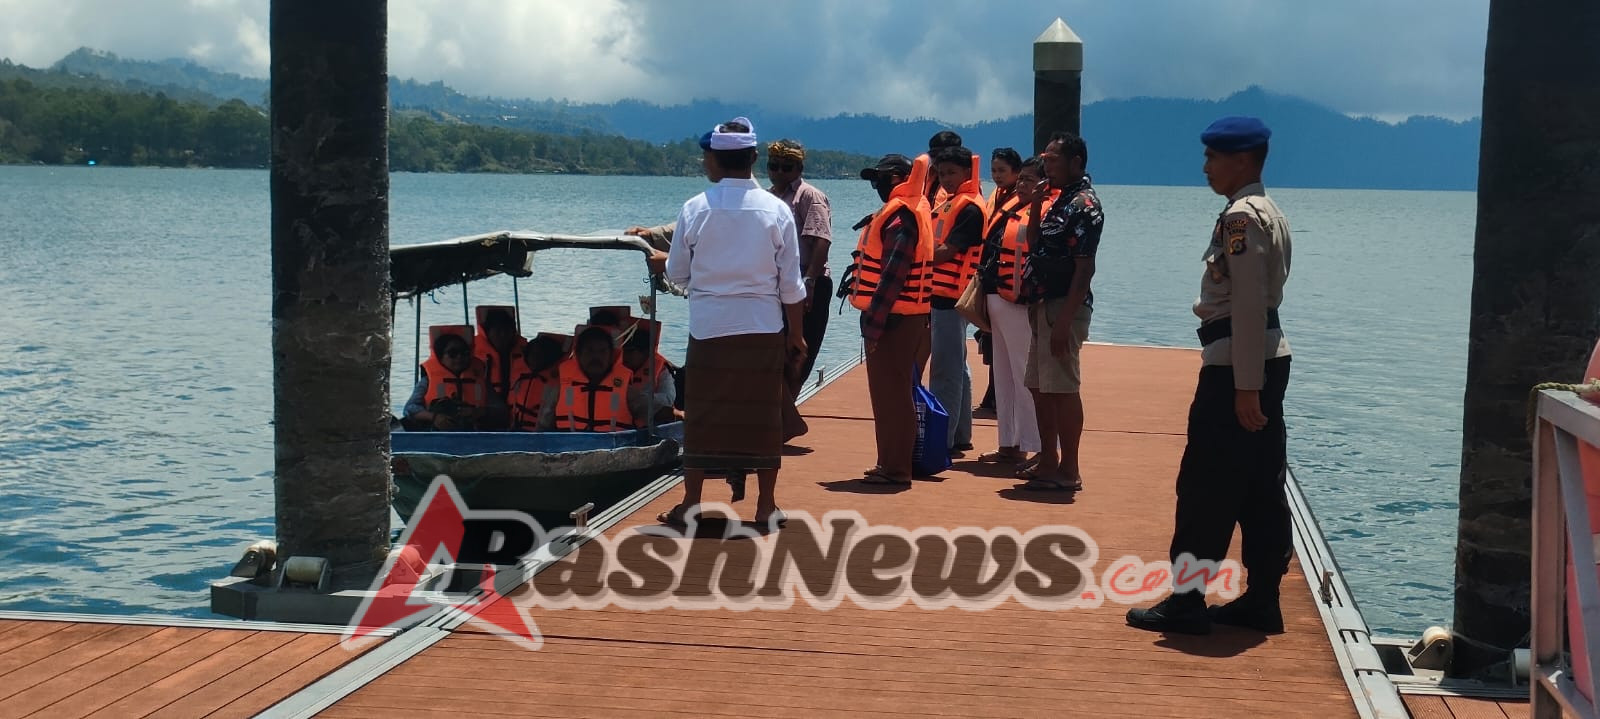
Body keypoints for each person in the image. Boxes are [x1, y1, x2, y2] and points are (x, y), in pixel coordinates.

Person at [1127, 116, 1293, 636]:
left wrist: (1246, 385)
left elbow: (1246, 303)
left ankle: (1187, 600)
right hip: (1266, 357)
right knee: (1261, 485)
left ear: (1241, 160)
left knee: (1206, 484)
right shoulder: (1269, 211)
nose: (1205, 166)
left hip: (1236, 365)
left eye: (1212, 157)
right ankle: (1262, 599)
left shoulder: (1240, 218)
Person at [660, 116, 806, 529]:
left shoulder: (695, 208)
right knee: (763, 417)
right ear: (755, 158)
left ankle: (691, 503)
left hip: (708, 329)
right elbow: (791, 285)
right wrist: (796, 335)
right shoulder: (777, 210)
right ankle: (765, 505)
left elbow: (677, 273)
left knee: (703, 415)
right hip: (762, 327)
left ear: (713, 160)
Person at [1016, 131, 1102, 492]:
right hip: (1042, 302)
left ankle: (1070, 469)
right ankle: (1048, 460)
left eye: (1053, 160)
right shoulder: (1060, 199)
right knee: (1039, 387)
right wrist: (1036, 205)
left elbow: (1084, 269)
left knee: (1063, 388)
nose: (1046, 165)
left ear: (1075, 162)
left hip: (1063, 305)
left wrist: (1065, 321)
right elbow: (1035, 243)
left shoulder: (1084, 204)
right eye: (1045, 159)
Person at [845, 153, 935, 485]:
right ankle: (888, 463)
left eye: (879, 179)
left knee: (894, 395)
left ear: (897, 178)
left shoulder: (902, 217)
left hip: (895, 318)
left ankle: (896, 469)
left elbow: (893, 275)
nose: (876, 185)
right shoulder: (905, 210)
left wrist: (874, 322)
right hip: (898, 316)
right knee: (888, 394)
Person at [975, 155, 1053, 468]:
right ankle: (1009, 444)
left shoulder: (1045, 214)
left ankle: (1036, 447)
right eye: (1021, 179)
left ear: (1044, 185)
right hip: (997, 298)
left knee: (1024, 376)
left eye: (1029, 180)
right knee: (1004, 377)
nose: (1021, 184)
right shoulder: (1011, 207)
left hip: (1021, 304)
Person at [765, 138, 834, 442]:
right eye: (774, 166)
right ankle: (781, 418)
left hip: (808, 281)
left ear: (799, 168)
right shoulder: (767, 198)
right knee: (775, 351)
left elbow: (821, 241)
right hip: (776, 284)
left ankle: (784, 420)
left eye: (787, 167)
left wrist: (810, 281)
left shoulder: (809, 196)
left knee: (800, 351)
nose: (779, 172)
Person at [925, 145, 987, 457]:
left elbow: (948, 251)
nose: (946, 179)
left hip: (952, 297)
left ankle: (940, 442)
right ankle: (961, 434)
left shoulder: (970, 208)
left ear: (967, 172)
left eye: (952, 173)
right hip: (944, 295)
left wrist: (913, 257)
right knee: (957, 366)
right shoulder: (953, 202)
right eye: (941, 173)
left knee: (944, 371)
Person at [976, 147, 1024, 418]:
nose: (996, 175)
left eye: (1002, 171)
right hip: (991, 280)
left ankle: (1000, 396)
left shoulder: (1019, 200)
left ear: (1016, 172)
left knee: (1005, 346)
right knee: (991, 340)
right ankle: (995, 394)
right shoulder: (998, 196)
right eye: (994, 170)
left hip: (1006, 284)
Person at [537, 325, 636, 432]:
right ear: (578, 354)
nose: (596, 357)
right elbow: (543, 426)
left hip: (614, 443)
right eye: (590, 350)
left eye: (602, 351)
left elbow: (648, 415)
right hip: (570, 442)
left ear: (611, 356)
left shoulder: (627, 389)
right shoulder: (559, 387)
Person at [402, 329, 491, 431]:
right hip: (437, 434)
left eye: (464, 353)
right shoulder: (427, 381)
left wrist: (477, 412)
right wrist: (434, 417)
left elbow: (500, 409)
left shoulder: (481, 381)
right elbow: (410, 408)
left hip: (475, 433)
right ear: (440, 357)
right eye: (452, 353)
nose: (459, 357)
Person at [621, 319, 679, 426]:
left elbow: (668, 399)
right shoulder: (616, 370)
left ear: (645, 352)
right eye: (622, 351)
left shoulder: (662, 370)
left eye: (630, 351)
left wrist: (638, 399)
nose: (624, 356)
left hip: (653, 425)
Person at [508, 333, 567, 431]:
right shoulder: (519, 371)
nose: (535, 359)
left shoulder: (559, 381)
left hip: (543, 434)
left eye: (540, 355)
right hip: (515, 429)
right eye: (533, 354)